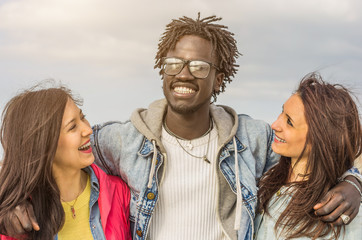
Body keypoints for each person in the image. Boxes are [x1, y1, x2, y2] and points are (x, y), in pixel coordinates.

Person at [1, 13, 361, 240]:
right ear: (162, 69)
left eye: (200, 66)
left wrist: (354, 182)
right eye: (174, 62)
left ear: (219, 78)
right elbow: (39, 149)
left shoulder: (251, 138)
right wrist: (8, 203)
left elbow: (324, 146)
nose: (184, 74)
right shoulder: (121, 140)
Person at [0, 84, 131, 239]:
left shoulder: (119, 191)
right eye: (73, 127)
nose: (88, 130)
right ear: (45, 145)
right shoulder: (16, 219)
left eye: (83, 117)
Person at [255, 73, 362, 239]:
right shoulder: (263, 179)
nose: (275, 125)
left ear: (320, 139)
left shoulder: (342, 212)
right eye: (282, 112)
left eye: (289, 122)